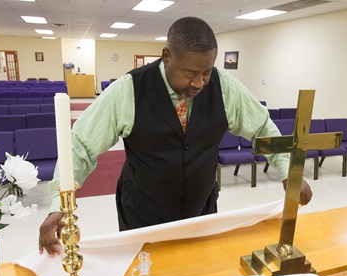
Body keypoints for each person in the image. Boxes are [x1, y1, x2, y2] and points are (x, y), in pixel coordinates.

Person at [39, 16, 313, 256]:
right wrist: (58, 204)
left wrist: (288, 170)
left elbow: (264, 128)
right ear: (166, 55)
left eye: (206, 72)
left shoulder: (224, 87)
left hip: (201, 206)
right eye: (190, 73)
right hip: (142, 211)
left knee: (194, 275)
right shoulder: (128, 90)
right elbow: (80, 146)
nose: (199, 83)